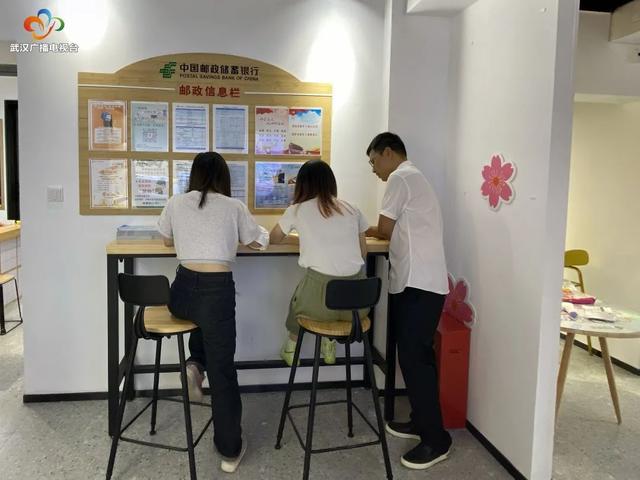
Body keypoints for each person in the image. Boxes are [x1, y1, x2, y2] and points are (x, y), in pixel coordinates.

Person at [157, 151, 268, 473]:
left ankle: (195, 364)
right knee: (223, 371)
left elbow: (166, 242)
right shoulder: (233, 206)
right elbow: (255, 241)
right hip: (216, 291)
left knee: (200, 321)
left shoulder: (176, 202)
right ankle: (230, 450)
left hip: (180, 293)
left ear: (193, 175)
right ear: (223, 177)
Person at [365, 132, 452, 470]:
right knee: (414, 357)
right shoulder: (413, 178)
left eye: (374, 161)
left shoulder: (400, 178)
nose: (374, 169)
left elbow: (384, 229)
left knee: (416, 360)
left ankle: (436, 440)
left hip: (420, 284)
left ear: (388, 153)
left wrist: (359, 228)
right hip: (420, 283)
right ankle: (420, 422)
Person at [270, 160, 369, 366]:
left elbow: (274, 238)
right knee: (331, 290)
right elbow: (363, 252)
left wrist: (300, 239)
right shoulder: (353, 209)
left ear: (302, 184)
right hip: (357, 307)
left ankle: (291, 348)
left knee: (299, 299)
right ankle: (329, 345)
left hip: (318, 306)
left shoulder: (297, 210)